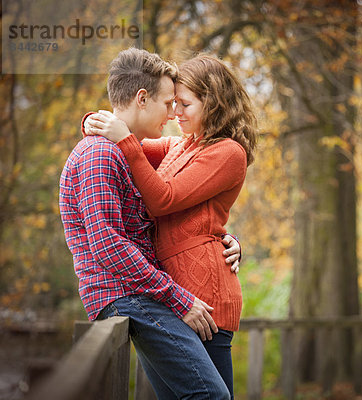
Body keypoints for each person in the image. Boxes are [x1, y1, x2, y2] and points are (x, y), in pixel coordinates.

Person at [60, 48, 240, 400]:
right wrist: (178, 297)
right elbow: (109, 243)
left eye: (182, 104)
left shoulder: (127, 150)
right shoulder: (103, 154)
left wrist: (223, 237)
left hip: (145, 292)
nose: (172, 113)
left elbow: (180, 206)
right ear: (142, 98)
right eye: (169, 102)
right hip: (128, 293)